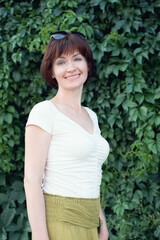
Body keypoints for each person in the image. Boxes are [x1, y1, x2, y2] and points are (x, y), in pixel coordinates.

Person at [24, 31, 109, 240]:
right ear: (52, 72)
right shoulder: (45, 112)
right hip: (62, 223)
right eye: (61, 62)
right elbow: (31, 181)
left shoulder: (91, 116)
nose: (71, 68)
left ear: (87, 65)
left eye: (77, 59)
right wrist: (40, 237)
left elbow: (91, 171)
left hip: (90, 223)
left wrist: (102, 221)